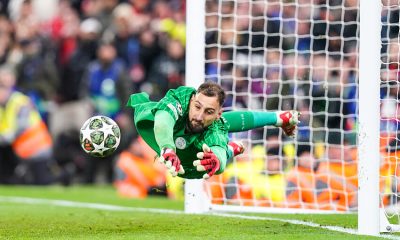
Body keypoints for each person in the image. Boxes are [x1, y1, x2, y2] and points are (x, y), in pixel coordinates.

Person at [126, 81, 300, 179]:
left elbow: (217, 153)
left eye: (209, 112)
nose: (199, 116)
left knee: (205, 163)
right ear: (192, 99)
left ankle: (230, 149)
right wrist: (167, 147)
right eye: (197, 107)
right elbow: (163, 120)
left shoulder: (216, 127)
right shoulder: (183, 97)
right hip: (153, 129)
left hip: (186, 161)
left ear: (218, 113)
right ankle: (278, 118)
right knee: (161, 117)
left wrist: (219, 159)